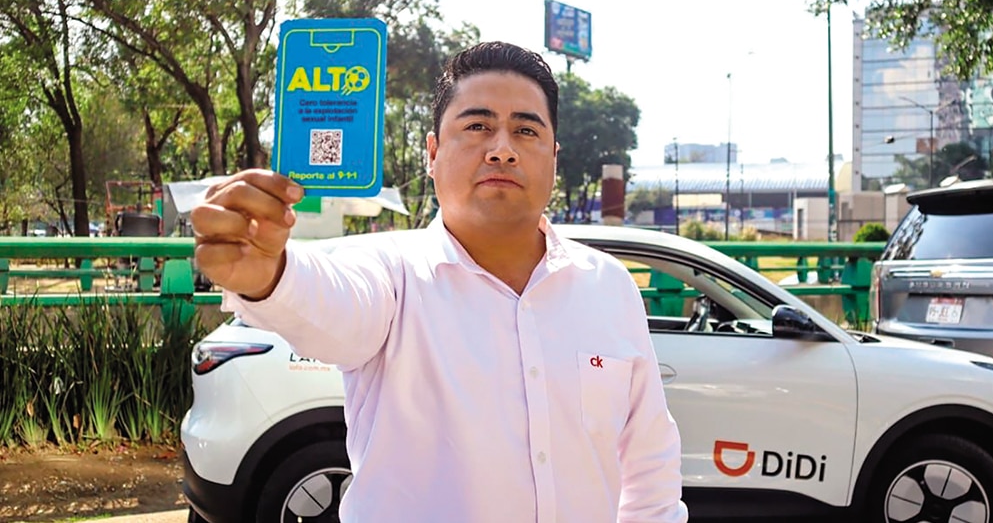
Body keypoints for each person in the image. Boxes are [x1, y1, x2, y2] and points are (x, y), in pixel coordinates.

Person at [191, 41, 689, 522]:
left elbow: (649, 459)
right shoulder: (392, 275)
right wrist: (271, 274)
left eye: (526, 131)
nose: (502, 150)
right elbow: (331, 301)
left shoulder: (608, 287)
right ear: (432, 152)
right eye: (477, 126)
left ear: (553, 157)